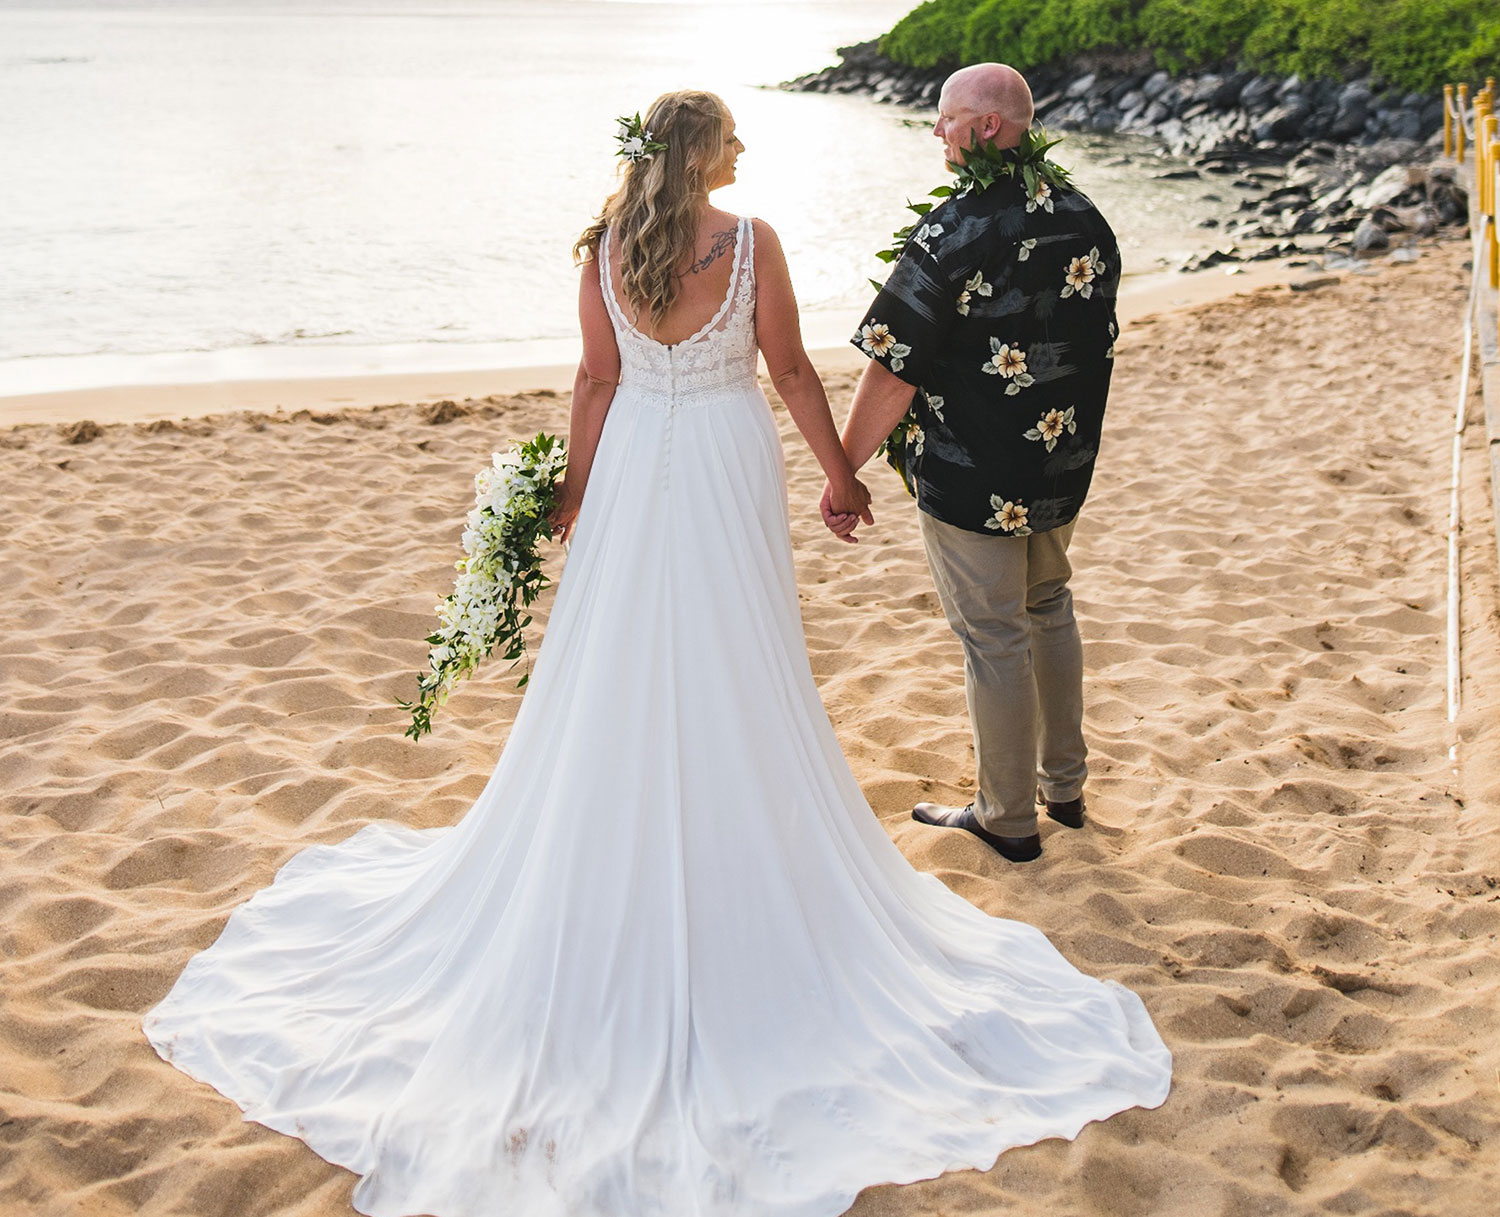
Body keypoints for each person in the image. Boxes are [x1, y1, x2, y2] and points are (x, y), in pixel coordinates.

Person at [143, 89, 1168, 1217]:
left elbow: (595, 381)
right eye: (732, 136)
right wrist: (838, 474)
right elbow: (785, 373)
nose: (744, 149)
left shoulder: (604, 251)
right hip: (727, 456)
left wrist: (578, 494)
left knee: (621, 651)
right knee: (737, 655)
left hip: (636, 459)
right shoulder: (751, 243)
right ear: (702, 153)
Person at [826, 64, 1120, 865]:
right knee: (1049, 605)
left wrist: (843, 469)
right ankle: (1065, 786)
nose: (936, 131)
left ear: (986, 127)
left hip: (973, 472)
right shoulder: (1085, 215)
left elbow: (891, 367)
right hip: (1059, 467)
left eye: (946, 118)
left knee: (993, 635)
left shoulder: (953, 229)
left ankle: (1005, 816)